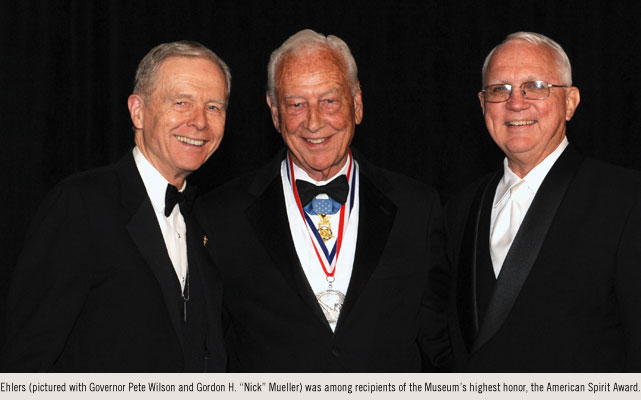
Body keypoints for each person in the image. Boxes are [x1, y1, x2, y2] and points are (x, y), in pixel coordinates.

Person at [196, 29, 450, 372]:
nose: (314, 122)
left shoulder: (418, 208)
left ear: (357, 103)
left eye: (329, 100)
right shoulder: (220, 216)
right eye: (296, 104)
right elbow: (207, 352)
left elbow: (440, 345)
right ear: (274, 112)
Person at [1, 41, 230, 372]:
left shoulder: (204, 223)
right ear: (138, 111)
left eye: (214, 107)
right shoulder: (81, 205)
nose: (199, 122)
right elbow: (26, 360)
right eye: (181, 102)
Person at [446, 32, 641, 371]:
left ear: (570, 101)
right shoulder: (459, 209)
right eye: (499, 89)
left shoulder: (626, 200)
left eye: (535, 86)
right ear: (482, 105)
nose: (515, 102)